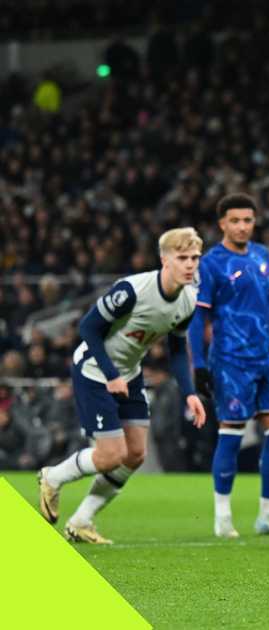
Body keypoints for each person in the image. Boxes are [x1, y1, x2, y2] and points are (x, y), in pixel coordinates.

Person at [38, 228, 207, 543]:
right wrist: (111, 374)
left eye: (194, 258)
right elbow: (88, 328)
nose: (189, 265)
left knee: (136, 454)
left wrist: (190, 393)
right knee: (110, 455)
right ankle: (52, 477)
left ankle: (81, 521)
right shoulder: (132, 290)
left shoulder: (189, 299)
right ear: (164, 259)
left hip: (128, 374)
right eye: (182, 258)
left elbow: (176, 350)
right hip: (94, 370)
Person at [188, 193, 269, 539]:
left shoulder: (261, 255)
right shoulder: (211, 263)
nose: (242, 226)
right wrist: (199, 365)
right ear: (222, 224)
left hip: (265, 358)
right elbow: (198, 318)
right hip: (230, 360)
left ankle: (268, 513)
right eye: (235, 221)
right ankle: (222, 516)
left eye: (248, 220)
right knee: (232, 433)